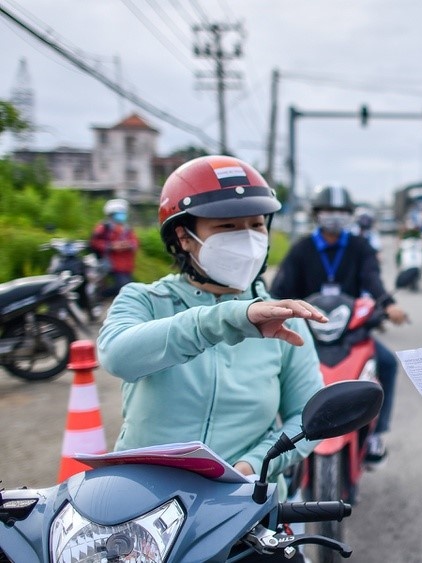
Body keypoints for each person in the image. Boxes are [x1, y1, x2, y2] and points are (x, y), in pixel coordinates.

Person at [96, 155, 327, 504]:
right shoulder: (145, 300)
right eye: (227, 227)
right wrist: (228, 319)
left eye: (256, 225)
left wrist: (255, 464)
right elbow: (118, 356)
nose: (248, 239)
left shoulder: (285, 319)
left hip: (244, 500)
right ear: (184, 237)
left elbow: (307, 417)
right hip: (143, 497)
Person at [270, 184, 408, 468]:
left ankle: (376, 435)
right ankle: (277, 434)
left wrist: (388, 305)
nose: (335, 216)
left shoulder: (360, 248)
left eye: (341, 212)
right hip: (306, 331)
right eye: (329, 211)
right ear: (317, 214)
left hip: (351, 331)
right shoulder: (301, 250)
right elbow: (280, 288)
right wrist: (271, 309)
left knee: (387, 363)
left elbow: (372, 280)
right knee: (272, 367)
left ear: (350, 216)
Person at [89, 198, 139, 297]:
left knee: (129, 288)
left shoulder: (127, 228)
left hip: (127, 265)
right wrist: (111, 246)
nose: (122, 215)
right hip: (112, 264)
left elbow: (135, 242)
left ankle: (102, 297)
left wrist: (127, 245)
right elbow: (94, 242)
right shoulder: (104, 227)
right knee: (122, 287)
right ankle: (100, 296)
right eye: (119, 213)